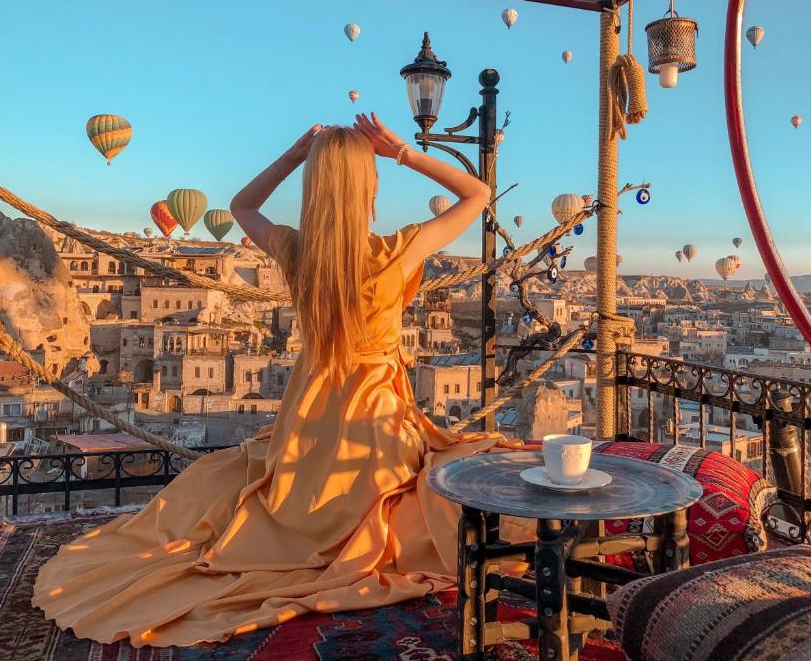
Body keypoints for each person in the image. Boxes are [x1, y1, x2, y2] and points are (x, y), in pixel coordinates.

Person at [32, 114, 535, 648]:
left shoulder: (296, 250)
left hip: (311, 405)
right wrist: (402, 151)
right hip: (374, 410)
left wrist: (296, 155)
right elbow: (478, 194)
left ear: (314, 187)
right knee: (452, 485)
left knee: (270, 488)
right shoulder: (394, 251)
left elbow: (243, 206)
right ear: (370, 184)